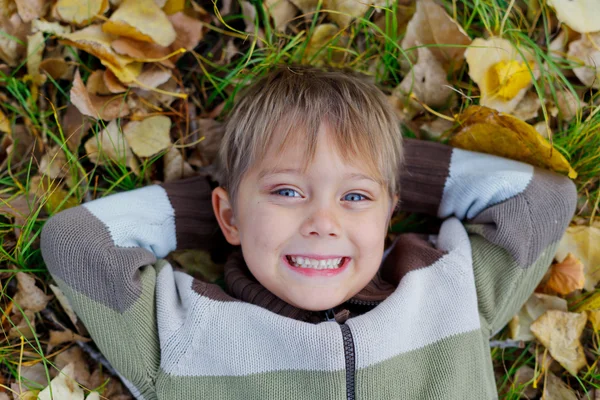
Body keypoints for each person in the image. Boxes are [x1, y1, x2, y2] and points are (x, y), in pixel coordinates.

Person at [40, 65, 577, 400]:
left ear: (391, 212)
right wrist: (236, 199)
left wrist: (376, 163)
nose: (324, 222)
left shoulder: (447, 291)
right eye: (288, 192)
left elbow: (541, 198)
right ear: (226, 216)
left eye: (355, 198)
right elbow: (77, 242)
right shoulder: (186, 336)